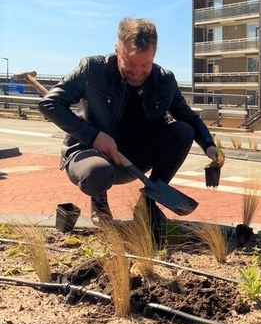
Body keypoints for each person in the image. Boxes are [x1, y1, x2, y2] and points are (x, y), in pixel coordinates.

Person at [38, 17, 222, 243]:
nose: (137, 72)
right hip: (88, 154)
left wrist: (210, 146)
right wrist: (93, 136)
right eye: (130, 63)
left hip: (134, 157)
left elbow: (189, 118)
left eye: (145, 65)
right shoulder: (93, 70)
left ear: (154, 54)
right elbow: (49, 104)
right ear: (118, 50)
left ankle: (147, 207)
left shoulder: (164, 80)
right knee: (97, 172)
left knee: (183, 131)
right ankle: (100, 205)